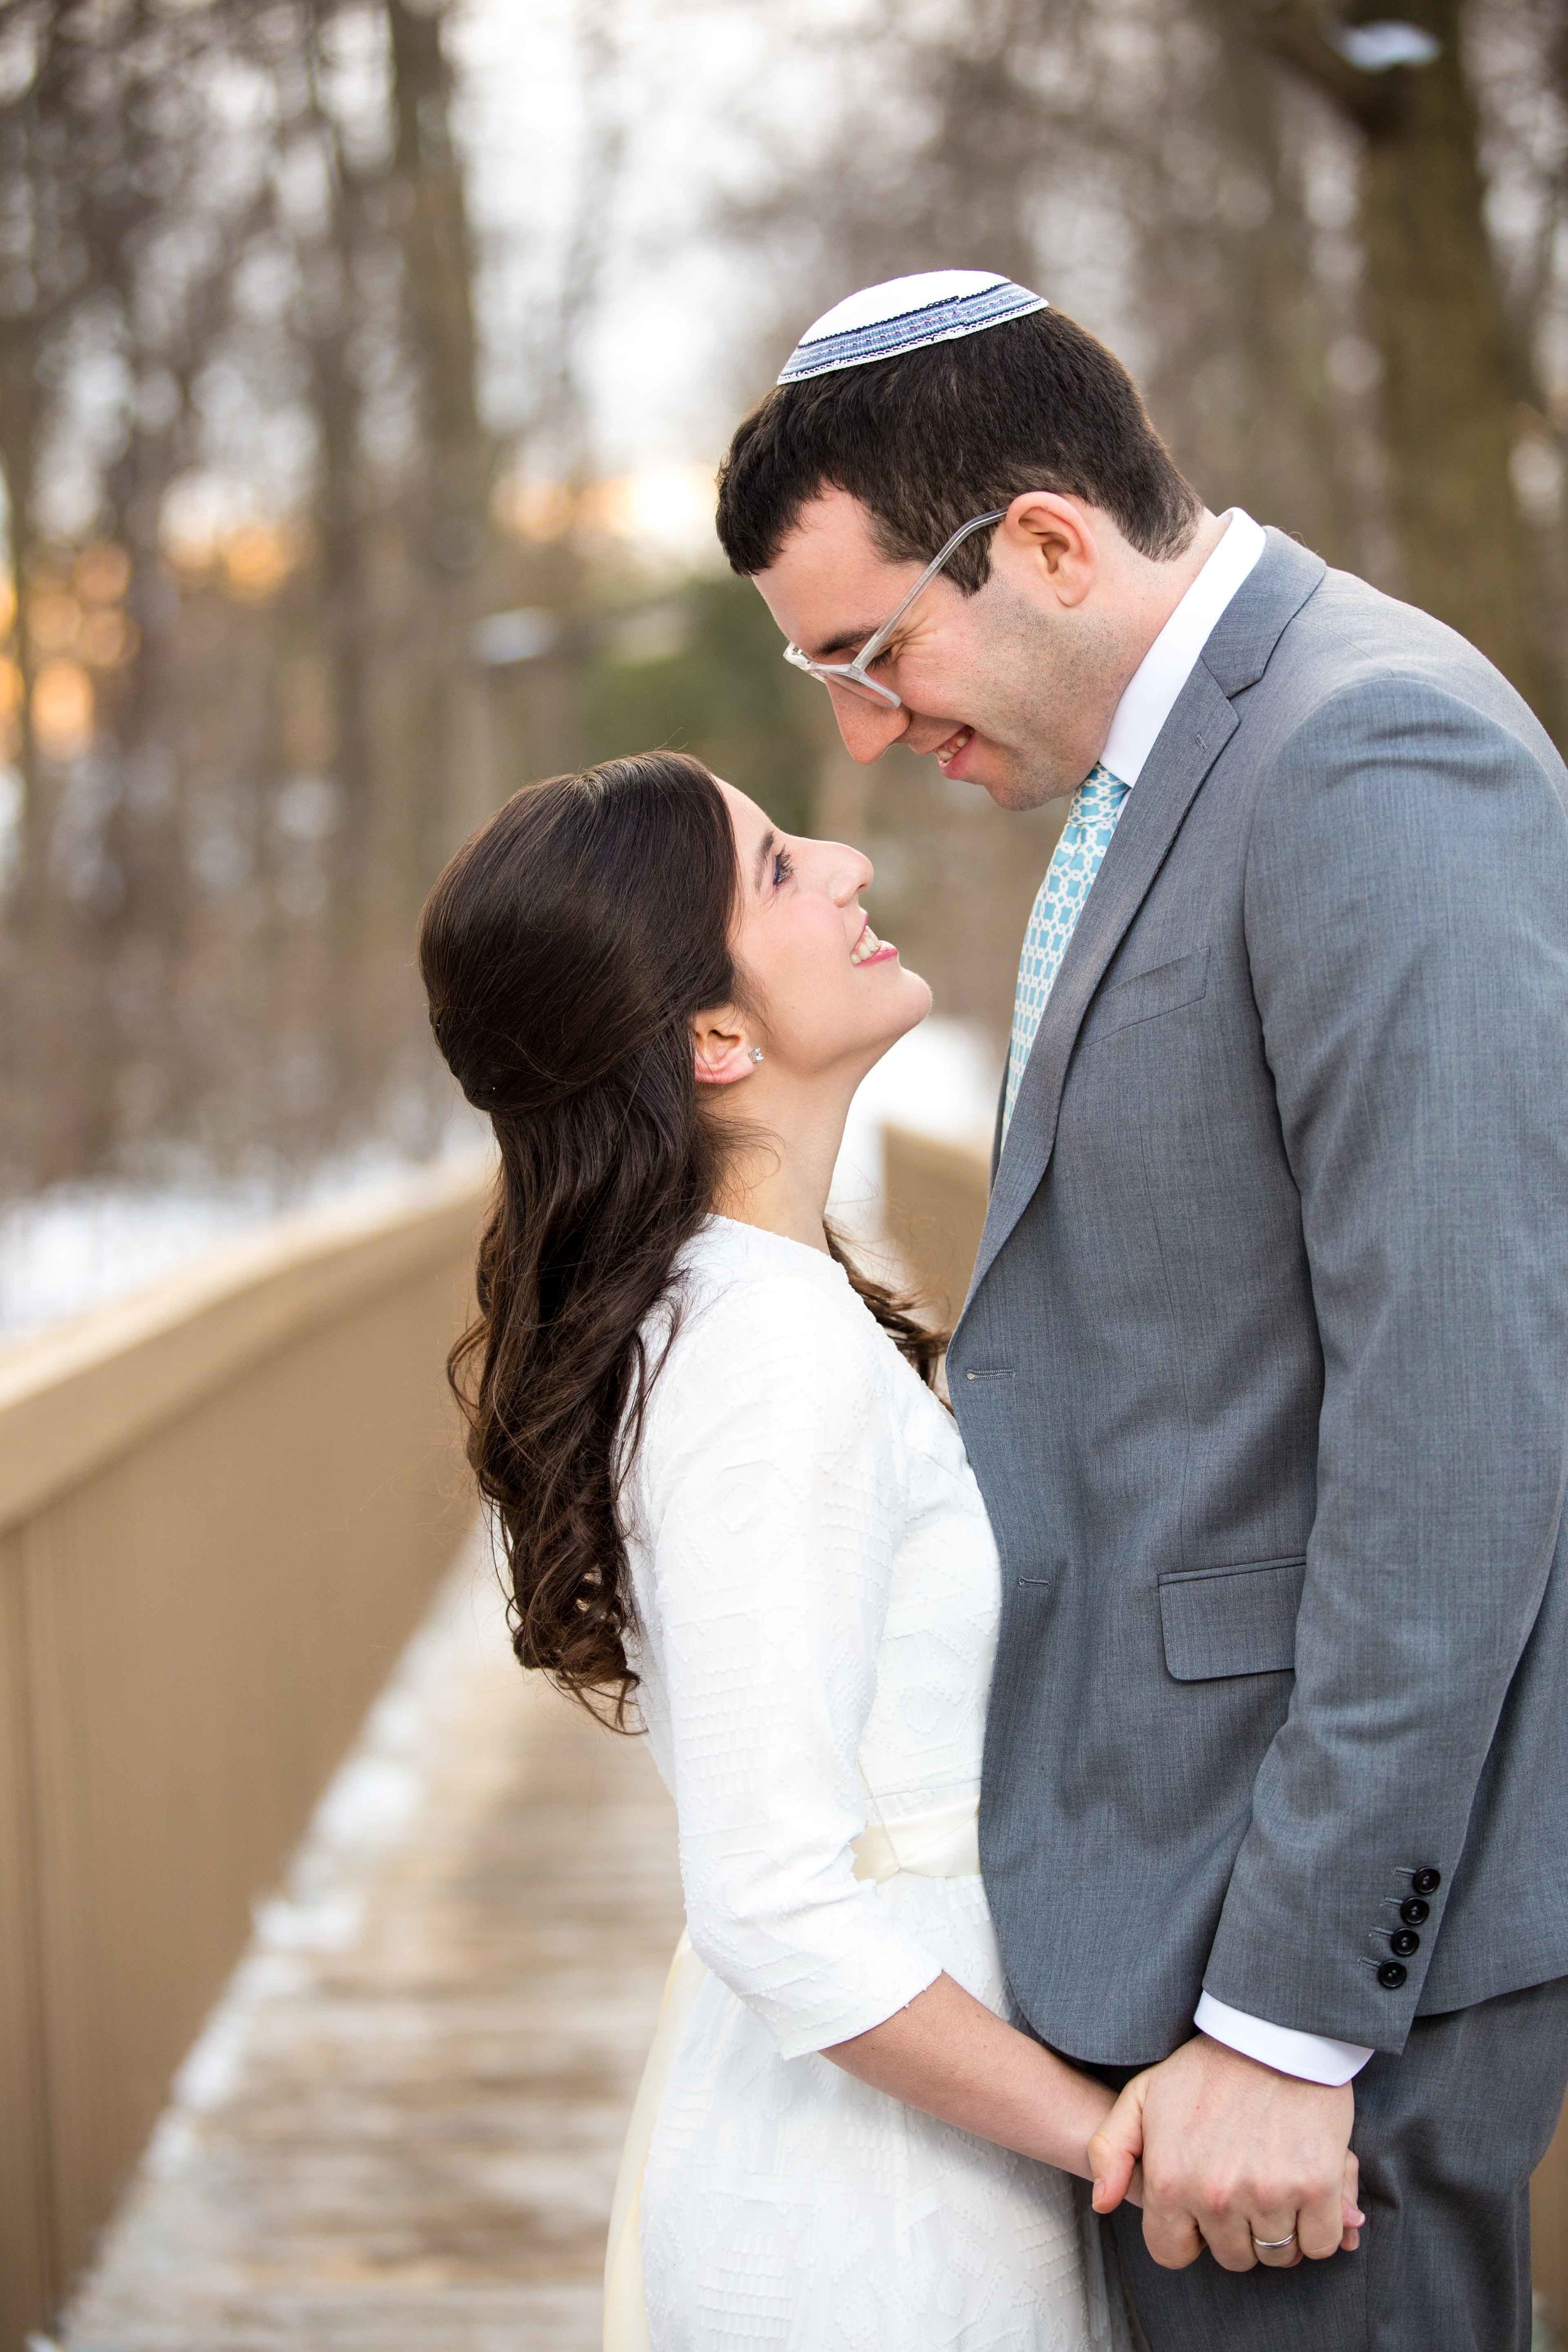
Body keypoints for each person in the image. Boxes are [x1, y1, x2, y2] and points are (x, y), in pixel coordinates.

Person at [713, 267, 1568, 2351]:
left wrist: (1289, 2019)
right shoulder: (1175, 775)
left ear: (1045, 545)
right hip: (1162, 1925)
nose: (862, 729)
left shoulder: (1370, 753)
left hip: (1311, 1990)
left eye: (870, 649)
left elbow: (1460, 1428)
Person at [418, 751, 1162, 2351]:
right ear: (713, 1036)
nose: (844, 863)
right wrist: (1107, 2141)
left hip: (899, 2147)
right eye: (771, 868)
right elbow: (768, 1900)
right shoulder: (761, 1356)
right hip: (883, 2214)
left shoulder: (749, 1309)